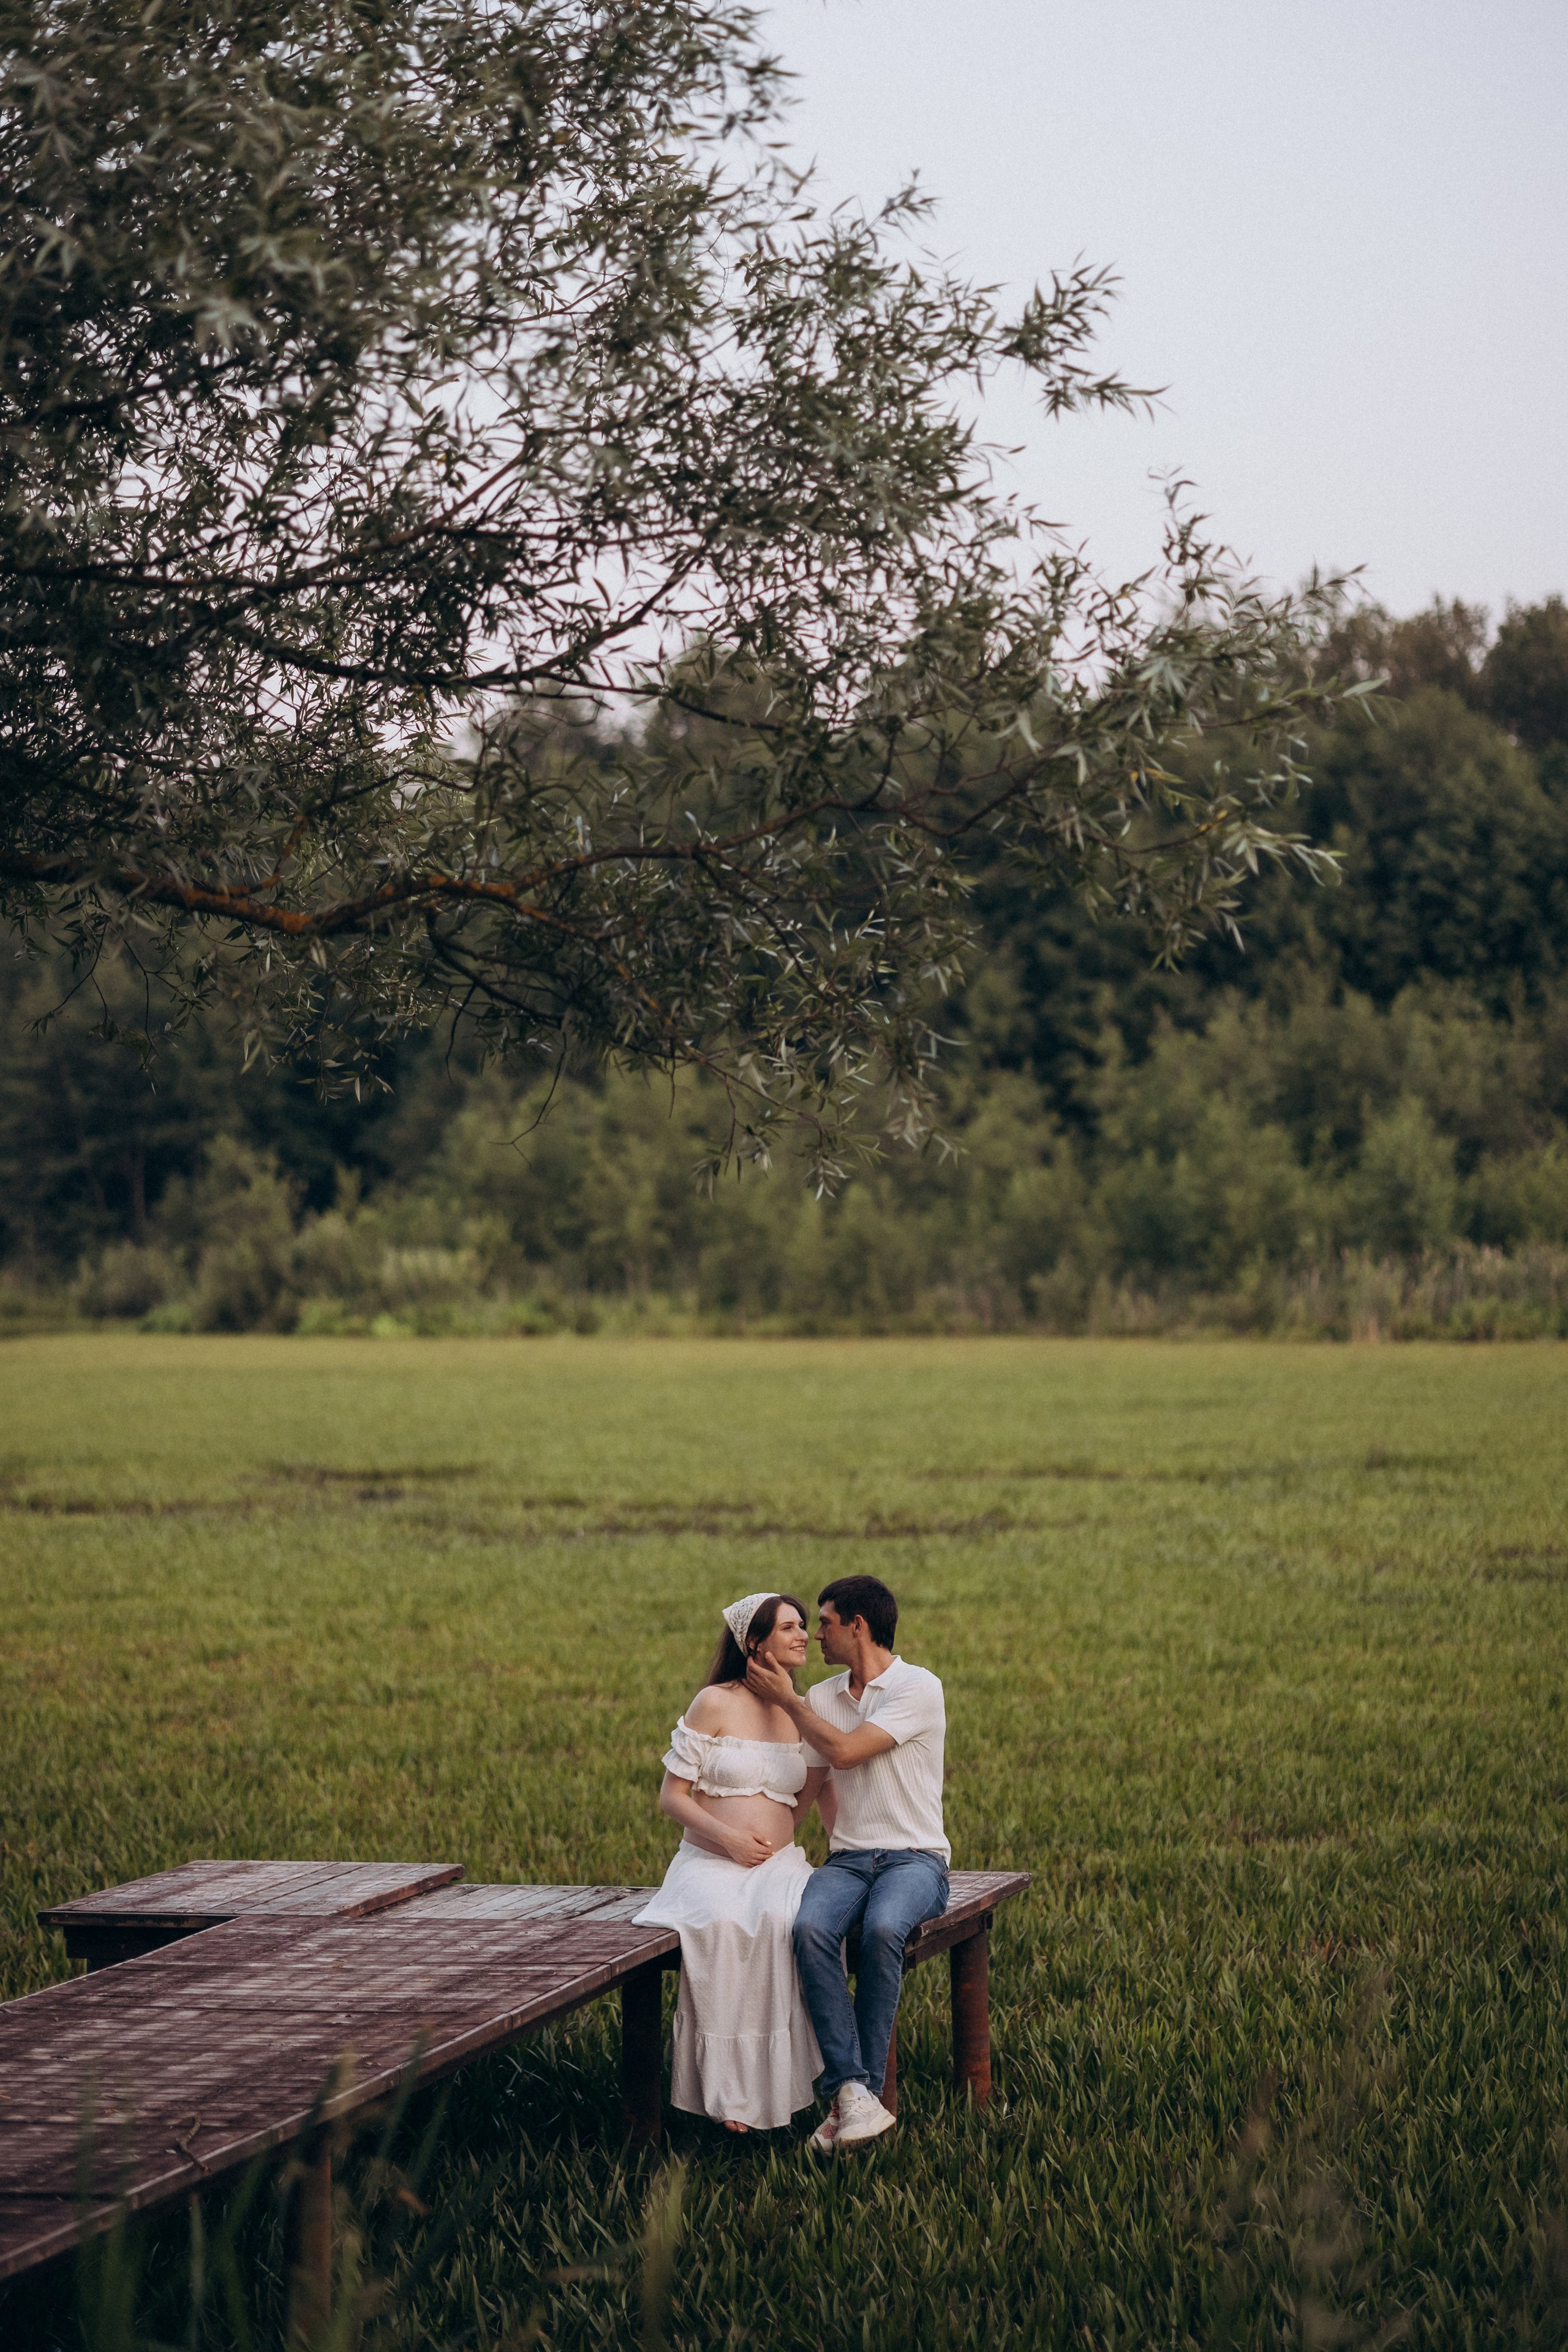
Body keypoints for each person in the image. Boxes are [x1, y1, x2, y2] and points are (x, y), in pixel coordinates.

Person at [745, 1573, 948, 2153]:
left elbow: (844, 1752)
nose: (815, 1636)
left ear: (858, 1625)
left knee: (883, 1929)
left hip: (915, 1860)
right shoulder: (823, 1697)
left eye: (826, 1623)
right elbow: (809, 1789)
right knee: (810, 1929)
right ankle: (853, 2096)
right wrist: (754, 1848)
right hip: (850, 1861)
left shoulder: (919, 1688)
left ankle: (861, 2098)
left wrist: (787, 1700)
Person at [634, 1592, 829, 2132]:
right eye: (789, 1627)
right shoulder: (714, 1702)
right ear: (753, 1643)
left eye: (805, 1626)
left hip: (779, 1864)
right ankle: (724, 2089)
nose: (803, 1635)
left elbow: (810, 1795)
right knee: (718, 1926)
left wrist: (778, 1846)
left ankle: (771, 2086)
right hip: (710, 1862)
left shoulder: (802, 1711)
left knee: (780, 1924)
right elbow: (673, 1797)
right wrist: (730, 1841)